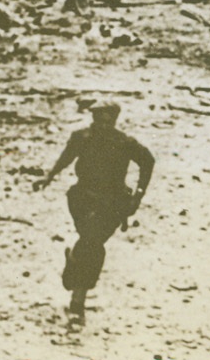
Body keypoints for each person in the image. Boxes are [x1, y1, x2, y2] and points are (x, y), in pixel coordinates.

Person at [32, 104, 154, 319]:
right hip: (83, 198)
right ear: (93, 119)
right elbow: (66, 157)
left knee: (92, 244)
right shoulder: (82, 137)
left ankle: (74, 268)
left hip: (114, 203)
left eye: (108, 121)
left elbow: (148, 161)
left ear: (115, 121)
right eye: (99, 121)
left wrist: (138, 196)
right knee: (92, 242)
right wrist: (49, 177)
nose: (103, 126)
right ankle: (78, 299)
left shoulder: (124, 143)